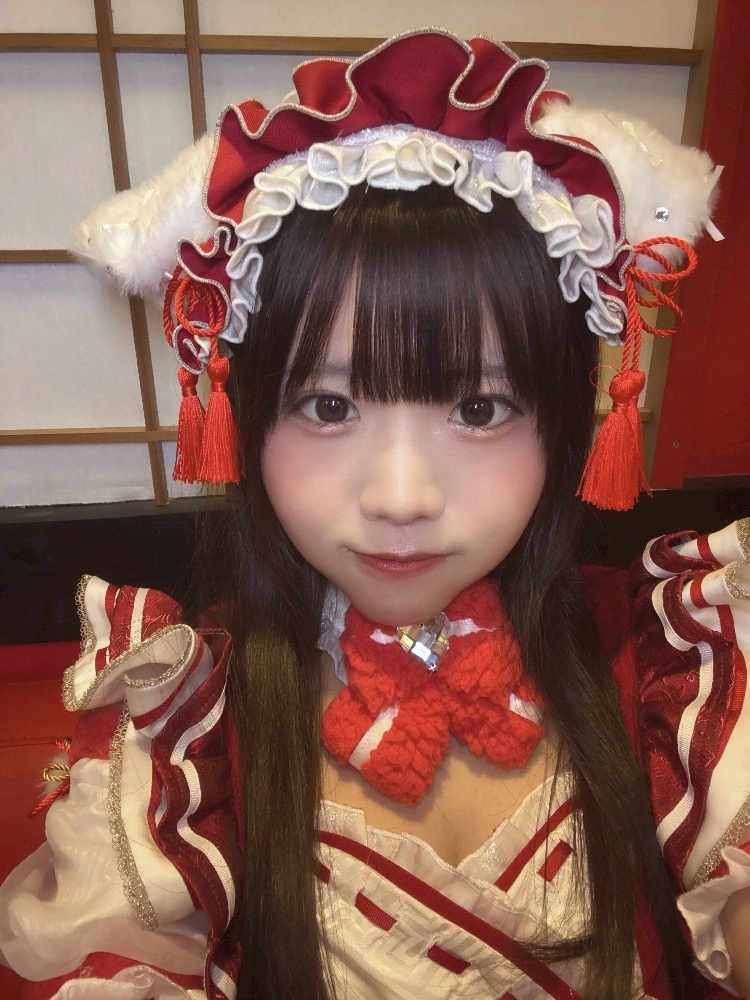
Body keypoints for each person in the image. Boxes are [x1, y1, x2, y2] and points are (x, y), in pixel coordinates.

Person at [1, 28, 749, 1000]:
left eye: (478, 408)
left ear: (568, 421)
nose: (401, 498)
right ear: (239, 416)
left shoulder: (676, 669)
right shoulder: (186, 738)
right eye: (327, 406)